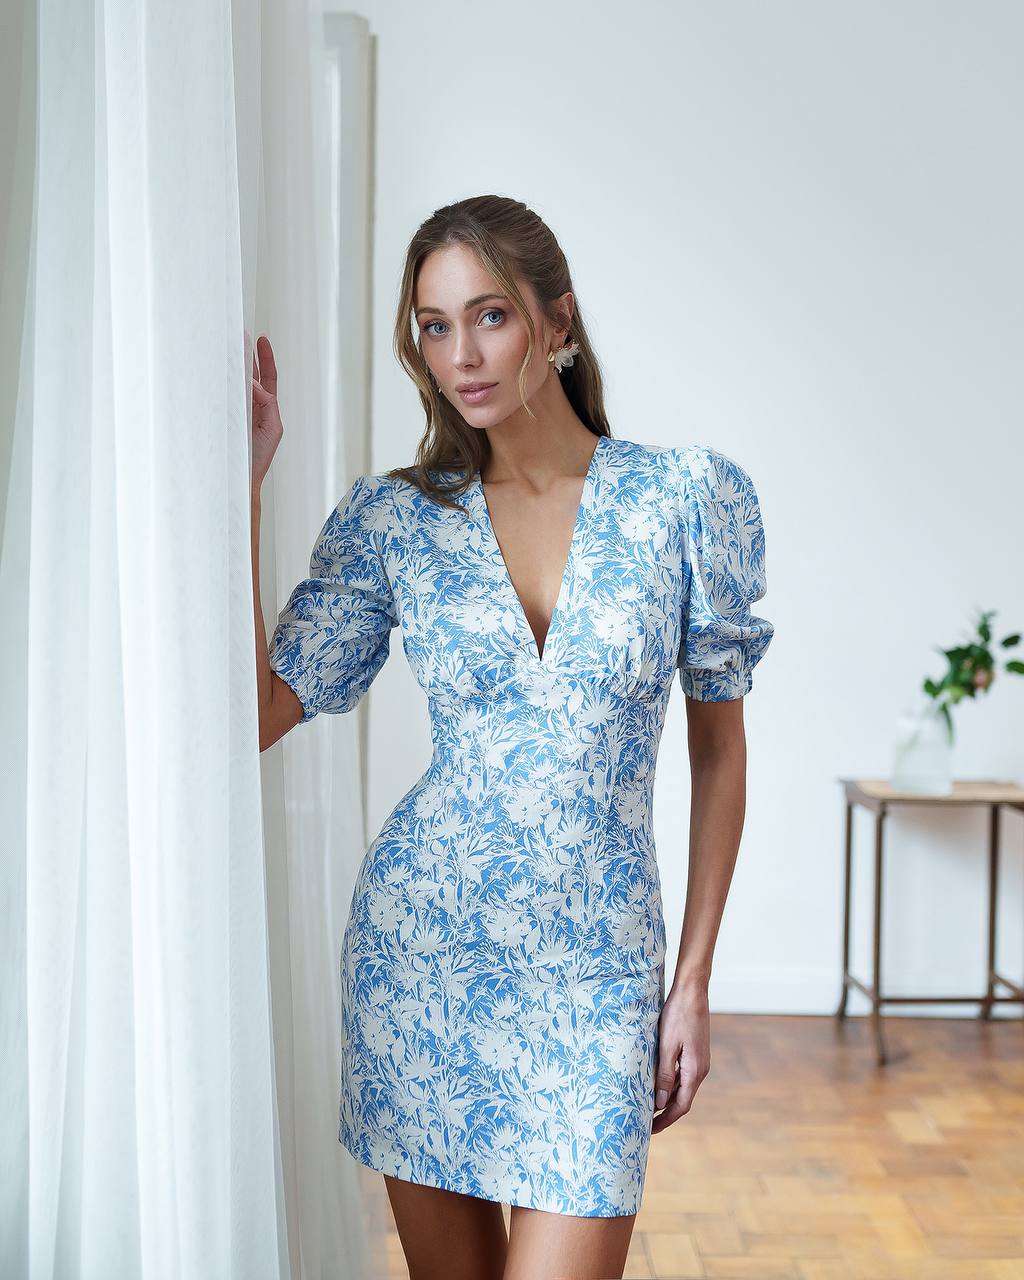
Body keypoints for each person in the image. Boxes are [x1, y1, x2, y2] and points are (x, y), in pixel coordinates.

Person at [251, 195, 774, 1280]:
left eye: (487, 315)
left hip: (597, 973)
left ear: (557, 321)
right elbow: (261, 709)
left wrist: (692, 980)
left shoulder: (680, 499)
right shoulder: (396, 518)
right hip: (422, 957)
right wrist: (240, 489)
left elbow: (718, 752)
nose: (461, 354)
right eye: (433, 327)